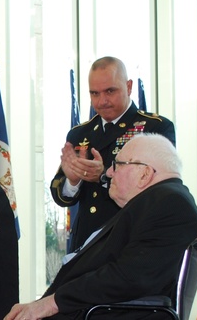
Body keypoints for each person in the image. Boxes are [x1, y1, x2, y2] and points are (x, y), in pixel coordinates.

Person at [4, 134, 197, 320]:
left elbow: (128, 278)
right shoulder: (158, 201)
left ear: (145, 174)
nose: (108, 172)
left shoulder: (168, 203)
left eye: (118, 164)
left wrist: (52, 303)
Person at [51, 56, 176, 253]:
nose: (102, 101)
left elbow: (160, 191)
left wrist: (102, 177)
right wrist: (73, 181)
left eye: (110, 91)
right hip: (85, 245)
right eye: (94, 93)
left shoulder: (154, 128)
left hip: (130, 242)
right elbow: (61, 195)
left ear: (128, 87)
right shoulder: (79, 134)